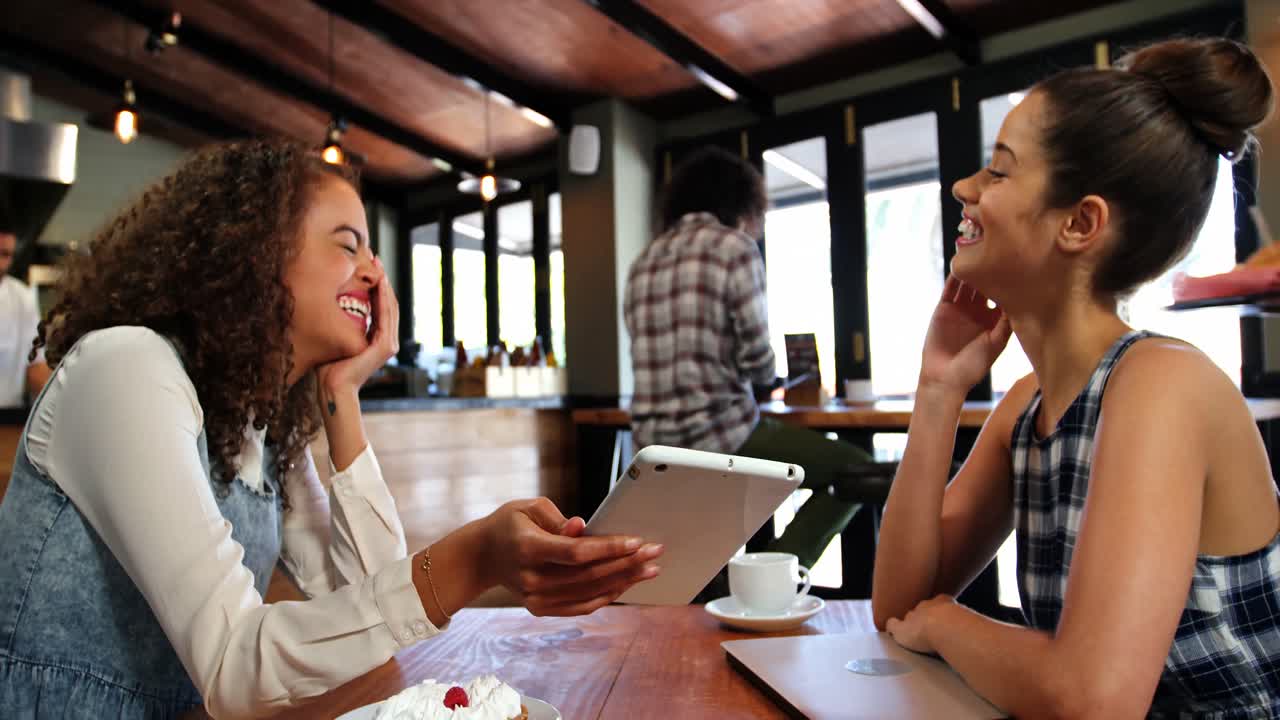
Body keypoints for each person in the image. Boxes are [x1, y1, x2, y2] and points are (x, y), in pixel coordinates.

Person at [0, 140, 663, 718]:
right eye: (349, 244)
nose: (375, 272)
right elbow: (236, 664)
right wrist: (472, 559)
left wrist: (343, 392)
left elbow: (376, 616)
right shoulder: (127, 367)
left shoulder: (252, 424)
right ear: (254, 252)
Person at [873, 38, 1279, 718]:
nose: (963, 189)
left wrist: (949, 622)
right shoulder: (1028, 406)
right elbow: (898, 606)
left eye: (998, 174)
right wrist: (938, 391)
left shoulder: (1161, 386)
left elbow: (1094, 698)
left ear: (1080, 223)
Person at [624, 146, 872, 573]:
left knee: (697, 563)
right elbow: (757, 356)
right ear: (740, 205)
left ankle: (733, 584)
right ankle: (763, 576)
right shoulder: (732, 247)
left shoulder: (644, 261)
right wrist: (768, 378)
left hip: (653, 448)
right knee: (857, 471)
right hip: (722, 435)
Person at [0, 225, 51, 407]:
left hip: (5, 418)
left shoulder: (22, 298)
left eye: (5, 255)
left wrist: (53, 407)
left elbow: (36, 365)